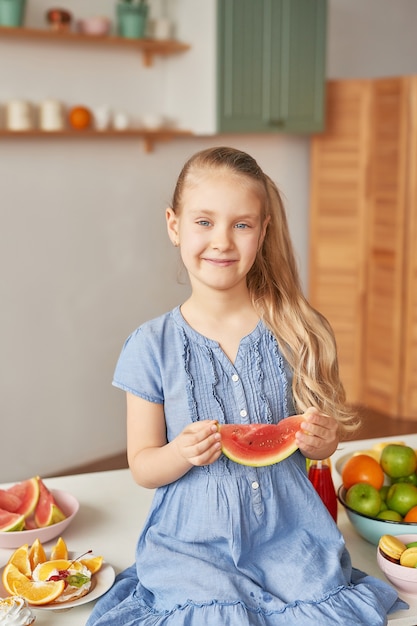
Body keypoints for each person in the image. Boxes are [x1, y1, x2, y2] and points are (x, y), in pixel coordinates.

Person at [87, 147, 407, 626]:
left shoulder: (299, 330)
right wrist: (181, 452)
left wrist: (324, 440)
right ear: (174, 225)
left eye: (241, 224)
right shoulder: (150, 345)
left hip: (290, 535)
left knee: (315, 605)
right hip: (193, 543)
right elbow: (143, 466)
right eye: (204, 222)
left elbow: (318, 436)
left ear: (264, 232)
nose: (222, 241)